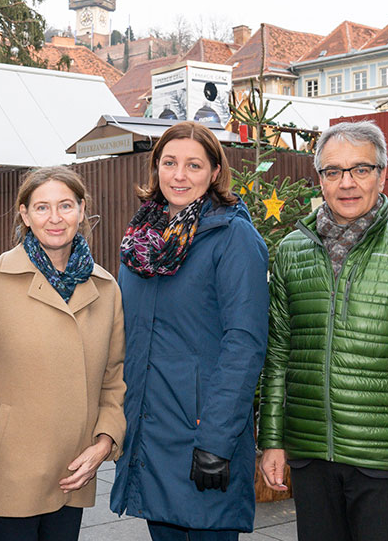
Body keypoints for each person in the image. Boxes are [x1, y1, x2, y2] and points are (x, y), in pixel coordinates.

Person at [257, 120, 388, 541]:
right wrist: (272, 440)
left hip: (386, 462)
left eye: (360, 169)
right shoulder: (291, 250)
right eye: (333, 171)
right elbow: (278, 354)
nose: (346, 183)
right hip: (311, 457)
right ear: (320, 179)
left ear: (382, 174)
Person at [110, 121, 269, 540]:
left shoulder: (234, 238)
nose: (179, 175)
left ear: (215, 172)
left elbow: (245, 345)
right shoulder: (142, 240)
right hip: (150, 434)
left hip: (202, 437)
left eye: (194, 165)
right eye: (170, 162)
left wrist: (216, 441)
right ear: (155, 168)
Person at [0, 166, 126, 541]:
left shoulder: (106, 289)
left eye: (66, 205)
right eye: (42, 207)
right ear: (24, 214)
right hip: (5, 478)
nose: (55, 218)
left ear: (82, 209)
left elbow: (114, 378)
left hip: (71, 475)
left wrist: (104, 442)